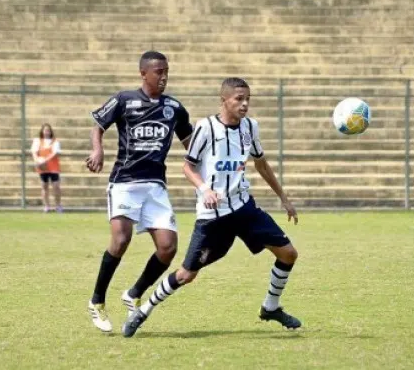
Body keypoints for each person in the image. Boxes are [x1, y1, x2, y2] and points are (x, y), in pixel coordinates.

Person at [122, 77, 301, 338]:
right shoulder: (206, 128)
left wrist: (283, 197)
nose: (245, 104)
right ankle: (143, 310)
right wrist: (205, 189)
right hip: (213, 217)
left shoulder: (250, 127)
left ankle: (270, 307)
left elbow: (261, 164)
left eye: (248, 99)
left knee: (288, 254)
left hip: (244, 208)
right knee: (186, 275)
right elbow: (187, 166)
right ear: (224, 100)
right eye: (239, 99)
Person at [85, 51, 193, 333]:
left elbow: (190, 142)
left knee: (168, 248)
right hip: (124, 182)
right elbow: (98, 125)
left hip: (155, 186)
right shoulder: (124, 100)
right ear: (143, 73)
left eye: (167, 70)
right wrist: (98, 149)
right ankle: (97, 301)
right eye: (158, 71)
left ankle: (134, 292)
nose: (164, 76)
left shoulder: (175, 108)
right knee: (121, 240)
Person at [31, 123, 63, 213]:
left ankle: (58, 205)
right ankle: (46, 206)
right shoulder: (37, 141)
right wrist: (38, 160)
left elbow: (55, 153)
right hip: (43, 168)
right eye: (45, 130)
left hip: (53, 167)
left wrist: (45, 160)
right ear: (42, 131)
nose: (46, 132)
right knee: (44, 186)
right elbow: (34, 152)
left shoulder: (55, 141)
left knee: (56, 186)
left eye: (48, 130)